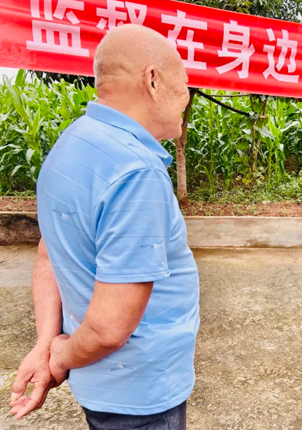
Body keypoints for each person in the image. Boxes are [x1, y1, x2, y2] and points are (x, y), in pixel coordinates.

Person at [10, 24, 199, 430]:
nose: (186, 98)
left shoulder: (72, 144)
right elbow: (110, 328)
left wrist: (45, 343)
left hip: (102, 388)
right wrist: (59, 356)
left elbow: (51, 253)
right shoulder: (136, 172)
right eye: (184, 85)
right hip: (141, 395)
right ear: (153, 80)